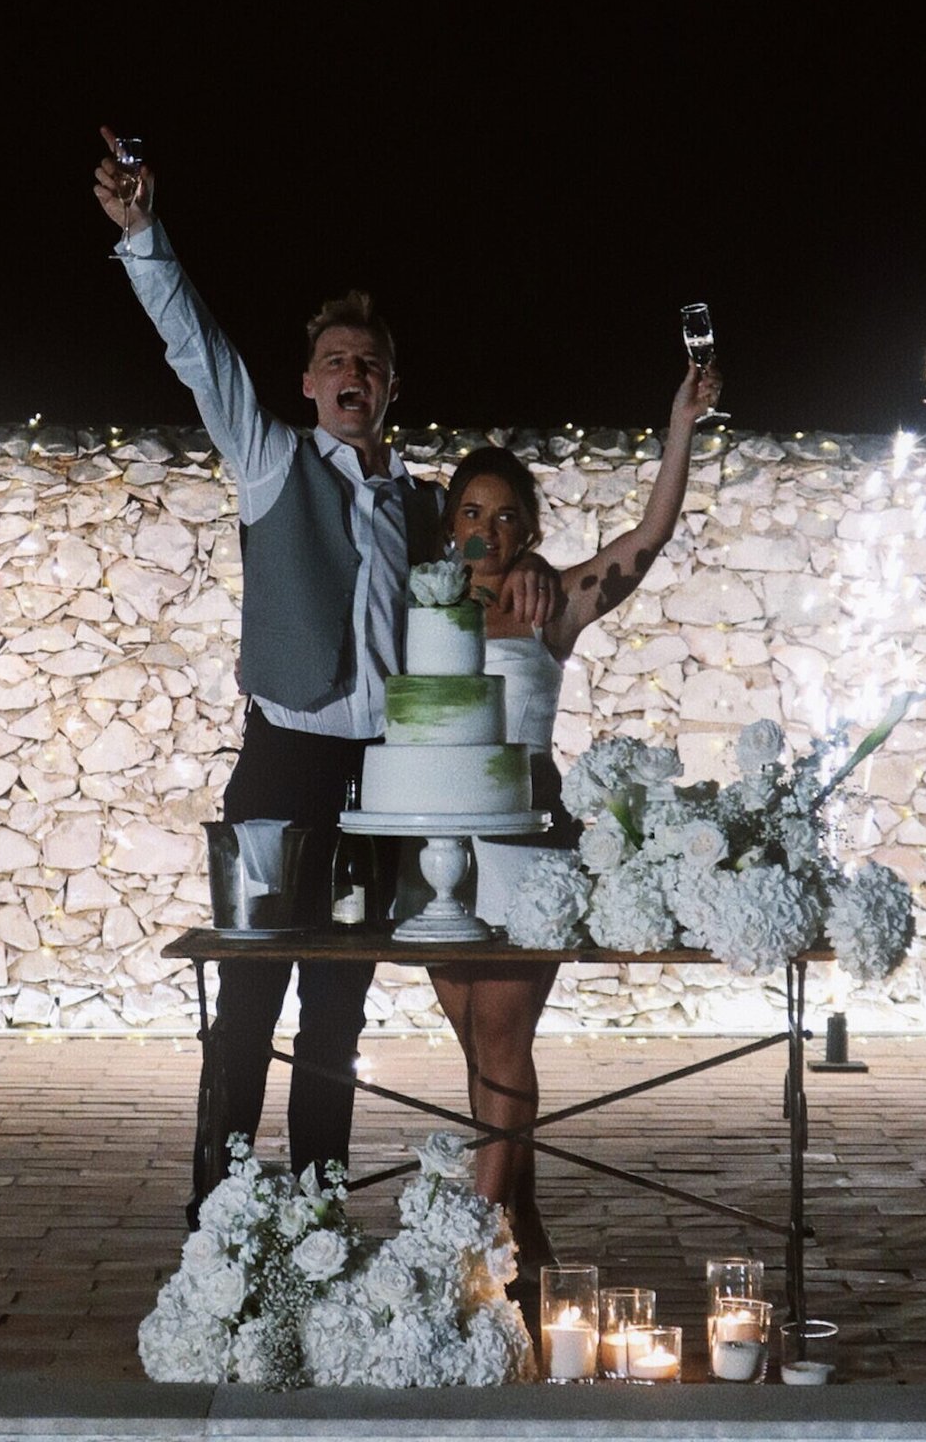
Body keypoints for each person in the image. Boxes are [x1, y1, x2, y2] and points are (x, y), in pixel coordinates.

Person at [91, 128, 560, 1221]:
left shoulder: (429, 506)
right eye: (336, 361)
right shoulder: (271, 460)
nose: (353, 374)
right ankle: (217, 1208)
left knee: (338, 1009)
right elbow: (198, 351)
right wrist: (143, 236)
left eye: (371, 363)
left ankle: (312, 1210)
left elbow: (499, 549)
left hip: (382, 780)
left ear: (393, 386)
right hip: (282, 762)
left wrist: (528, 561)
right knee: (247, 996)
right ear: (308, 382)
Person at [428, 359, 722, 1267]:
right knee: (477, 1057)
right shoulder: (418, 608)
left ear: (532, 532)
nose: (491, 530)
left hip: (527, 846)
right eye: (473, 514)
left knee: (504, 1042)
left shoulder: (550, 609)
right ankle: (530, 1242)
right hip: (434, 850)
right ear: (452, 530)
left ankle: (478, 1244)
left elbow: (652, 534)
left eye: (509, 516)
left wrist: (678, 425)